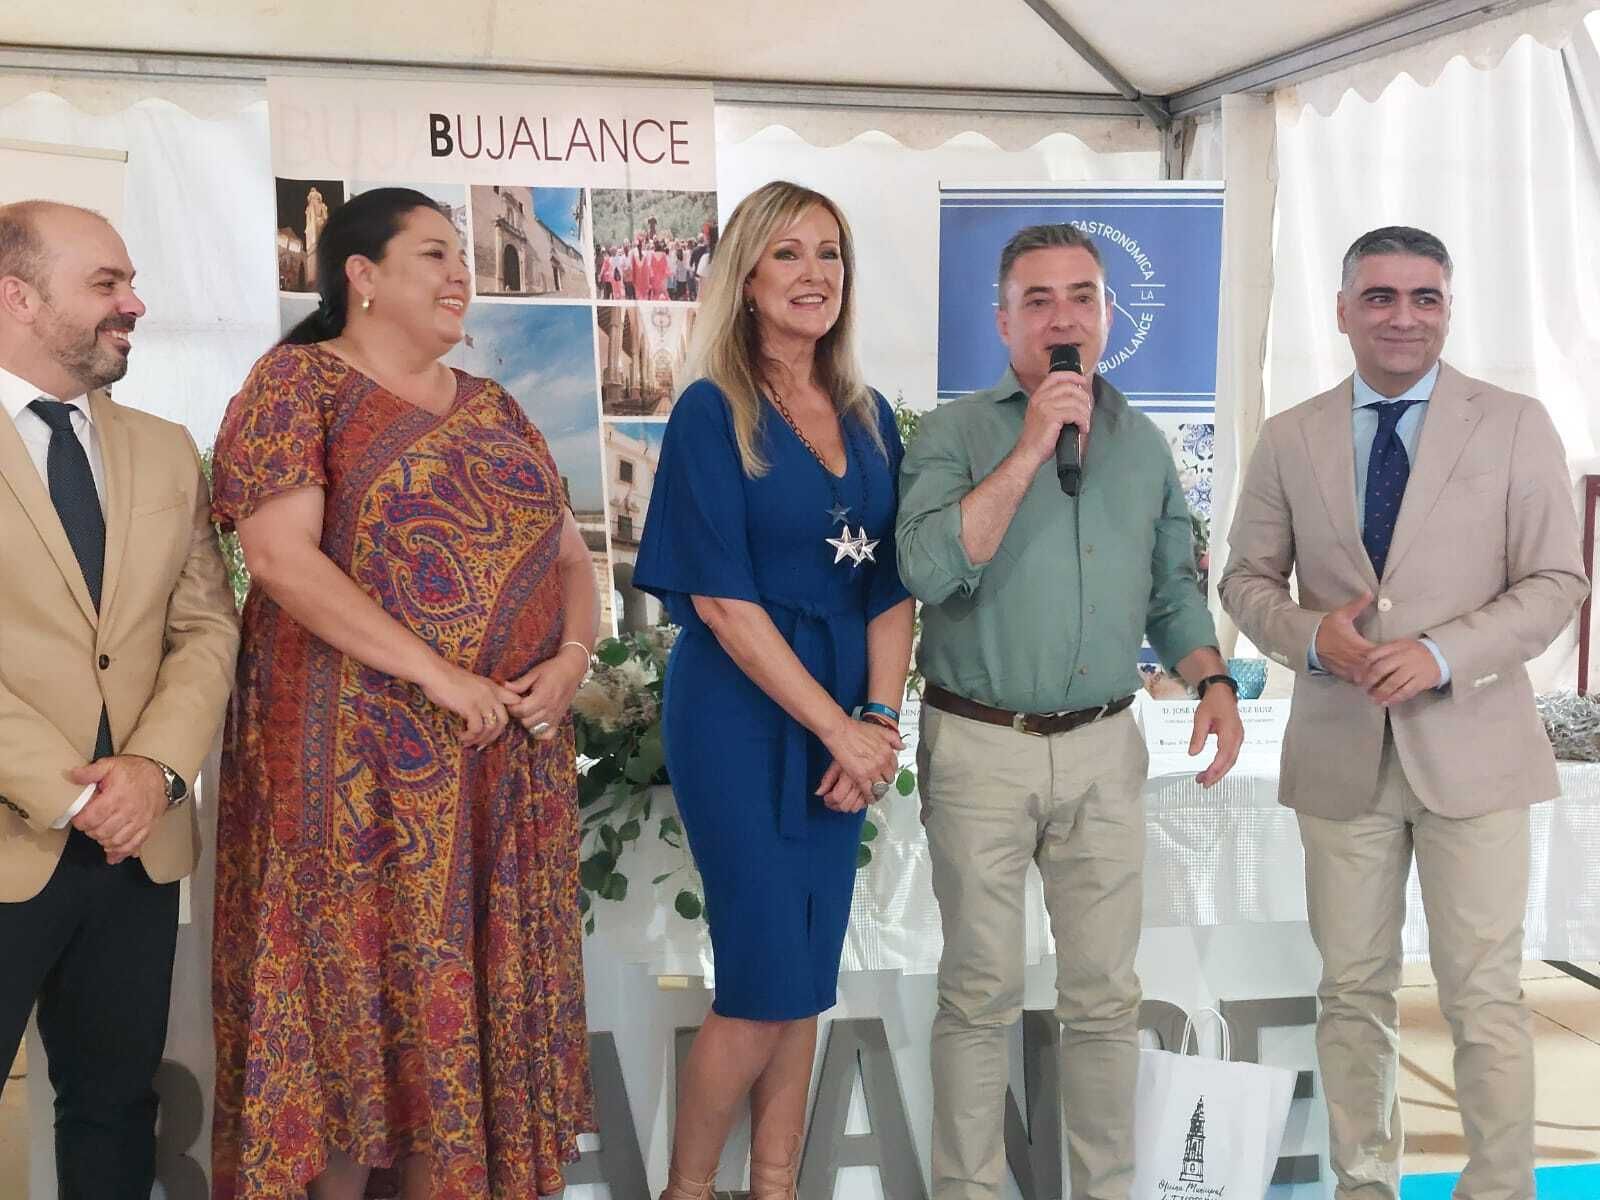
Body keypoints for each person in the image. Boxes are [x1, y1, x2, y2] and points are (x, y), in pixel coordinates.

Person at [209, 187, 598, 1200]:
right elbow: (280, 561)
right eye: (433, 253)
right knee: (346, 1036)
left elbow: (569, 559)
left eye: (461, 254)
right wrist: (435, 675)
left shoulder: (498, 407)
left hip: (500, 777)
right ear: (363, 276)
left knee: (462, 1047)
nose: (459, 273)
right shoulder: (297, 385)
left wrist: (574, 658)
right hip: (352, 785)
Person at [1220, 226, 1587, 1200]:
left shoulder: (1511, 422)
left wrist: (1437, 654)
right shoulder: (1290, 434)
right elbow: (1246, 582)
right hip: (1340, 756)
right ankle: (1362, 1184)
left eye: (1424, 297)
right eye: (1379, 296)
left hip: (1475, 752)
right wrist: (1308, 636)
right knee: (1350, 992)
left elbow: (1557, 582)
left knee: (1483, 995)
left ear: (1447, 309)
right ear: (1341, 310)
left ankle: (1499, 1187)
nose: (1402, 316)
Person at [897, 222, 1243, 1200]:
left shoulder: (1141, 444)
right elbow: (924, 568)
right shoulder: (957, 434)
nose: (1063, 317)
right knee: (978, 996)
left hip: (1102, 747)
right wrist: (1030, 443)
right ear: (1003, 319)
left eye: (1081, 297)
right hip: (979, 745)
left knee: (1101, 1000)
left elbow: (1173, 588)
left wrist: (1211, 679)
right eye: (1039, 300)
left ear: (1108, 314)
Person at [634, 180, 914, 1200]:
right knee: (758, 976)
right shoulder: (713, 410)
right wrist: (837, 727)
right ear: (746, 278)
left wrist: (877, 723)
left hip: (848, 708)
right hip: (740, 716)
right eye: (789, 255)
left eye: (830, 254)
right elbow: (720, 604)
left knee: (805, 970)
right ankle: (690, 1191)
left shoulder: (871, 413)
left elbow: (891, 588)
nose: (815, 275)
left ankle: (778, 1187)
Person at [0, 200, 239, 1198]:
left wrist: (152, 771)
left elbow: (207, 626)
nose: (133, 304)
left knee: (113, 1109)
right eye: (106, 284)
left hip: (136, 849)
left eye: (130, 281)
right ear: (18, 297)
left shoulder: (164, 447)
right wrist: (71, 792)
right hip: (22, 827)